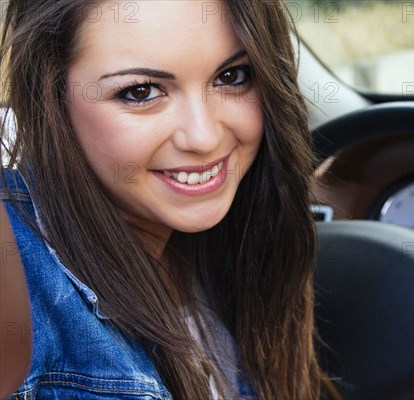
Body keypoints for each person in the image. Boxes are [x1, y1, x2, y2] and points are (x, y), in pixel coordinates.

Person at [0, 1, 337, 398]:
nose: (204, 138)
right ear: (51, 100)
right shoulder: (18, 268)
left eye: (232, 76)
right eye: (140, 92)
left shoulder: (233, 246)